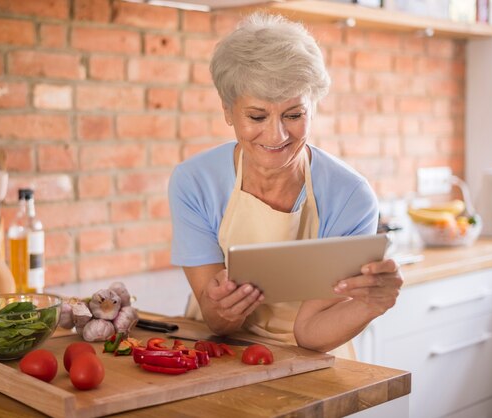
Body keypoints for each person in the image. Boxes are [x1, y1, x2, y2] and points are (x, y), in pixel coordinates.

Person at [168, 12, 403, 358]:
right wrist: (222, 307)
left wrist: (373, 304)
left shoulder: (350, 195)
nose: (276, 135)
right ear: (228, 111)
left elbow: (310, 332)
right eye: (257, 116)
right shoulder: (194, 182)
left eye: (294, 115)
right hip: (220, 352)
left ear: (314, 108)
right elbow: (217, 321)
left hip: (309, 359)